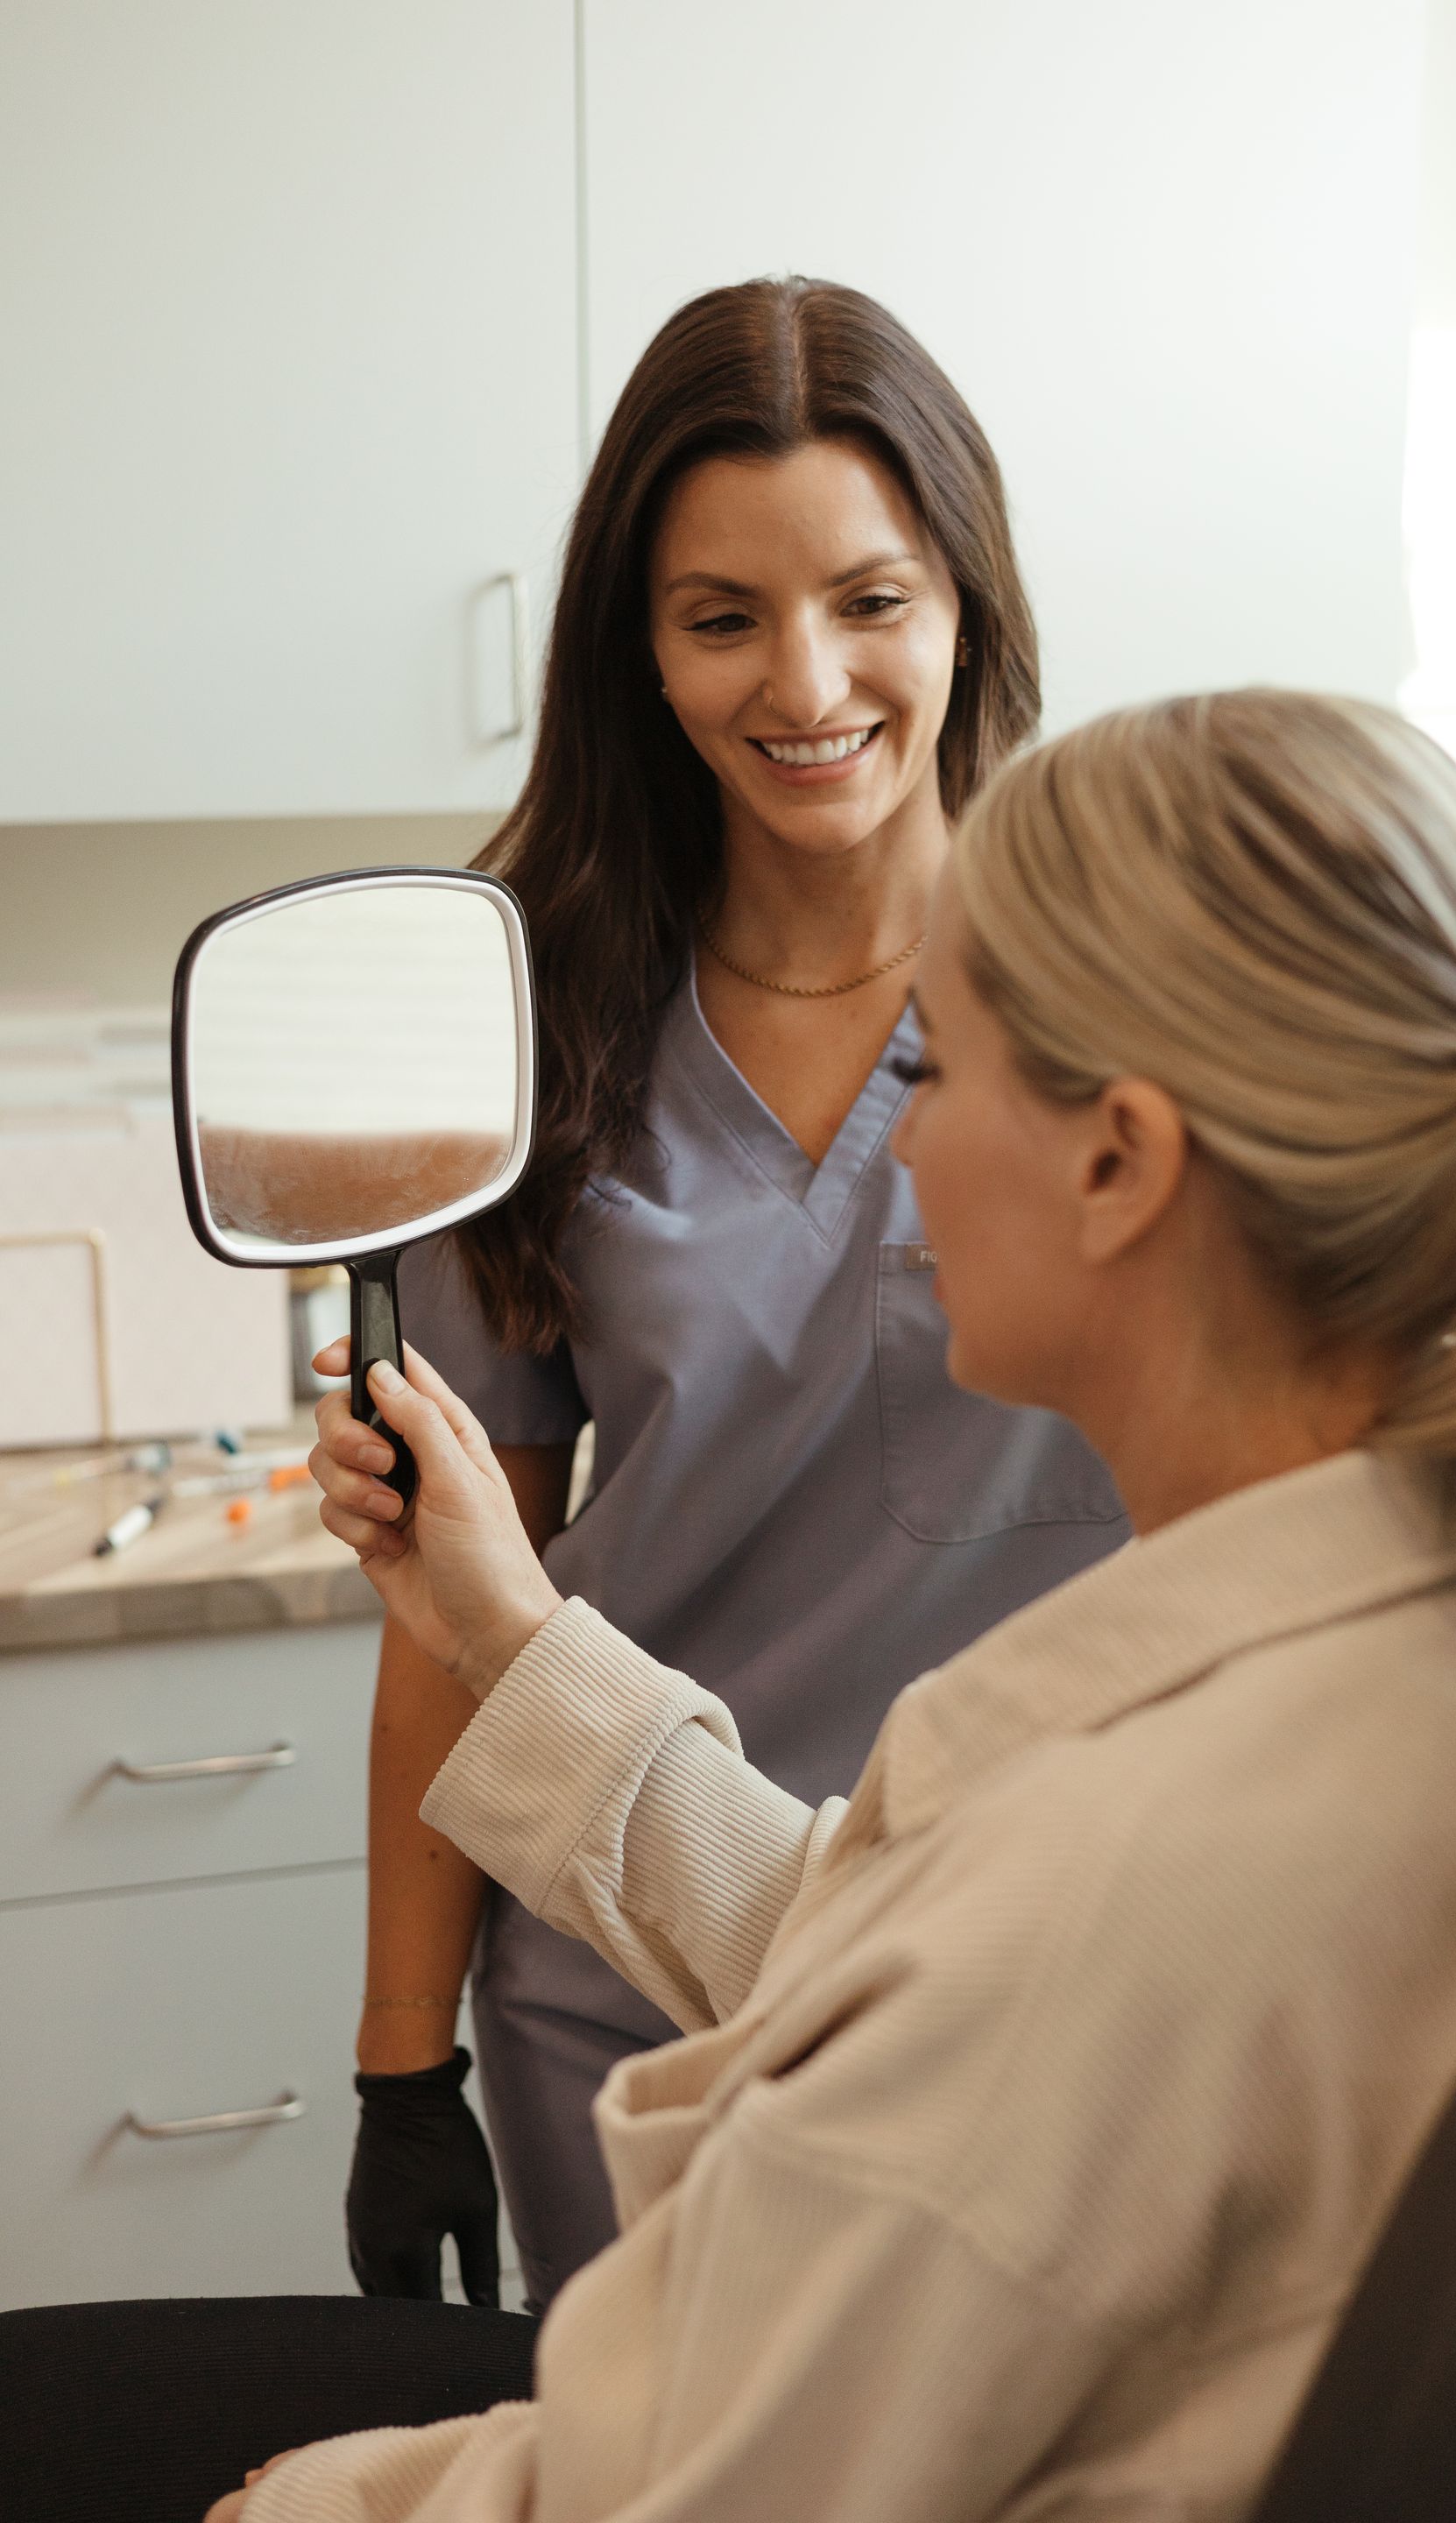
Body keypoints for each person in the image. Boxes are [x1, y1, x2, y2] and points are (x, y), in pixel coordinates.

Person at [217, 688, 1456, 2522]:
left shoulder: (1132, 1891)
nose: (896, 1148)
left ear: (1118, 1162)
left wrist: (312, 2506)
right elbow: (909, 1946)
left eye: (937, 1073)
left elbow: (703, 2487)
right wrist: (510, 1639)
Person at [352, 276, 1124, 2314]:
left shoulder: (1128, 971)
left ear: (967, 606)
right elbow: (465, 1594)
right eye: (723, 618)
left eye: (872, 600)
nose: (810, 682)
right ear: (642, 649)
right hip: (623, 1995)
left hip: (1034, 1979)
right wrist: (396, 2062)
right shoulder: (538, 1016)